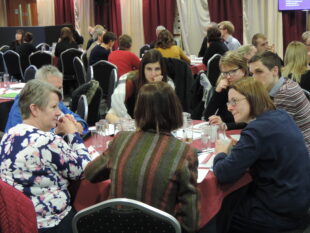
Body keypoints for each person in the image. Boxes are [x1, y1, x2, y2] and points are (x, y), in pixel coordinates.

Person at [85, 81, 199, 233]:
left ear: (138, 110)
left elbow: (91, 174)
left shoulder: (121, 140)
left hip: (115, 227)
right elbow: (190, 222)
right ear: (175, 110)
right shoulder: (185, 153)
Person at [213, 78, 310, 232]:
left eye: (235, 101)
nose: (230, 108)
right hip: (299, 204)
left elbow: (223, 173)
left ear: (252, 98)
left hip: (279, 213)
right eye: (228, 102)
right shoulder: (281, 115)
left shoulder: (257, 130)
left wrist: (220, 153)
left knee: (220, 212)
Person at [0, 79, 91, 233]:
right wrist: (73, 133)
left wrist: (56, 133)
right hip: (50, 223)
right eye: (54, 107)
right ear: (34, 109)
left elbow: (35, 148)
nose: (59, 112)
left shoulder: (11, 134)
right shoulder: (47, 141)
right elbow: (84, 170)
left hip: (19, 219)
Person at [249, 51, 310, 153]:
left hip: (303, 152)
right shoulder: (283, 83)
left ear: (275, 70)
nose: (254, 78)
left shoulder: (285, 93)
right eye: (252, 73)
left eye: (259, 72)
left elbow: (269, 132)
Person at [5, 65, 88, 135]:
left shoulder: (54, 99)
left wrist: (79, 124)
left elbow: (73, 116)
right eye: (51, 88)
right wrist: (56, 132)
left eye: (59, 88)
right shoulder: (22, 103)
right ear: (38, 85)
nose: (57, 93)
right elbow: (17, 136)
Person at [105, 49, 174, 123]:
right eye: (149, 69)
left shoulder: (168, 84)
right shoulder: (131, 81)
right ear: (143, 69)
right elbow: (110, 114)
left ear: (162, 70)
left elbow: (169, 115)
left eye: (157, 69)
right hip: (133, 126)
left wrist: (158, 89)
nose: (153, 74)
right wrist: (128, 124)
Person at [204, 51, 248, 130]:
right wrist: (217, 92)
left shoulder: (251, 88)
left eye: (232, 71)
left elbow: (251, 121)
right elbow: (207, 115)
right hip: (223, 130)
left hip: (240, 131)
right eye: (225, 73)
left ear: (243, 70)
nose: (228, 76)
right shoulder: (225, 86)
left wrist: (226, 125)